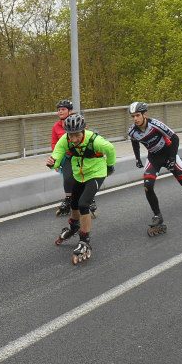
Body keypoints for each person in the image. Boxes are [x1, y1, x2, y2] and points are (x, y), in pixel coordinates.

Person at [128, 101, 182, 233]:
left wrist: (171, 158)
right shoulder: (132, 131)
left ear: (144, 114)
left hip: (169, 153)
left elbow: (175, 138)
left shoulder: (155, 124)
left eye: (137, 115)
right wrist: (137, 158)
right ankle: (157, 215)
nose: (135, 118)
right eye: (133, 116)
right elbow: (135, 143)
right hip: (154, 158)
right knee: (148, 186)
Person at [46, 113, 116, 263]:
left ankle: (85, 240)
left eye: (77, 135)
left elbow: (110, 149)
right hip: (80, 175)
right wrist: (53, 163)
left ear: (84, 131)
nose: (74, 139)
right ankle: (74, 226)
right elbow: (57, 154)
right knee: (73, 203)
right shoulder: (66, 140)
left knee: (84, 204)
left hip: (96, 173)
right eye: (71, 135)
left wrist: (110, 166)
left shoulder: (95, 140)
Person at [51, 99, 75, 216]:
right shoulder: (56, 126)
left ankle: (89, 199)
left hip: (79, 155)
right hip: (67, 156)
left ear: (70, 111)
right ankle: (68, 200)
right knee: (68, 177)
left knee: (82, 176)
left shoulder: (77, 121)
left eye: (63, 109)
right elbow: (54, 144)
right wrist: (56, 160)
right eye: (59, 110)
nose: (60, 112)